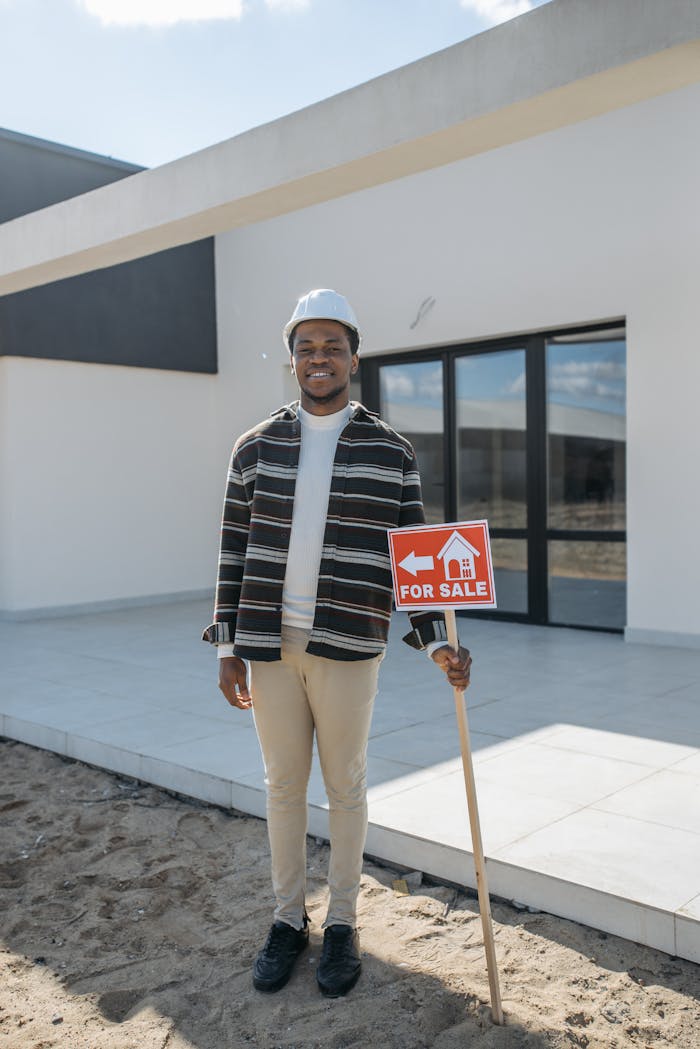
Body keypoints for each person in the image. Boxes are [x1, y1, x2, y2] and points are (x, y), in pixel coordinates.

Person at [203, 289, 471, 997]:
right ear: (292, 358)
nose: (318, 357)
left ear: (353, 355)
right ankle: (287, 918)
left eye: (331, 345)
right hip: (267, 642)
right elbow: (232, 550)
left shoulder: (391, 450)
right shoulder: (254, 446)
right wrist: (225, 644)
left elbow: (412, 561)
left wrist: (438, 643)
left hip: (350, 641)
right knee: (284, 785)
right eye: (305, 346)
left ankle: (344, 921)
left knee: (345, 785)